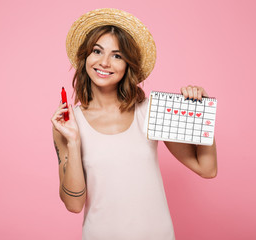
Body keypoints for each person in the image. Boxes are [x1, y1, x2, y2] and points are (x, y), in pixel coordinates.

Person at [51, 8, 217, 240]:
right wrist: (73, 141)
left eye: (117, 56)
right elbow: (74, 204)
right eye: (97, 51)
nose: (105, 62)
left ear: (128, 65)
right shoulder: (69, 124)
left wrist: (203, 114)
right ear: (85, 57)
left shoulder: (150, 110)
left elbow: (207, 169)